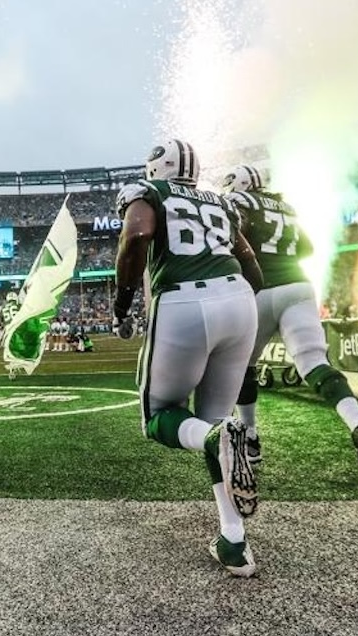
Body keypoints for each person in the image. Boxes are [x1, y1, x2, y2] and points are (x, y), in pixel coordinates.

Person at [113, 139, 264, 578]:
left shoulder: (151, 192)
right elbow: (249, 259)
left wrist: (122, 302)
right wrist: (238, 304)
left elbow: (138, 232)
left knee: (160, 416)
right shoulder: (219, 199)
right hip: (239, 299)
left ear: (156, 167)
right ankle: (233, 540)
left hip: (183, 302)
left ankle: (219, 442)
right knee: (215, 419)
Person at [221, 164, 358, 491]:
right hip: (299, 287)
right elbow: (308, 249)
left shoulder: (239, 204)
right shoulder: (285, 207)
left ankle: (251, 437)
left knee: (242, 367)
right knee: (315, 364)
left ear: (237, 186)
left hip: (260, 288)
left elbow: (233, 245)